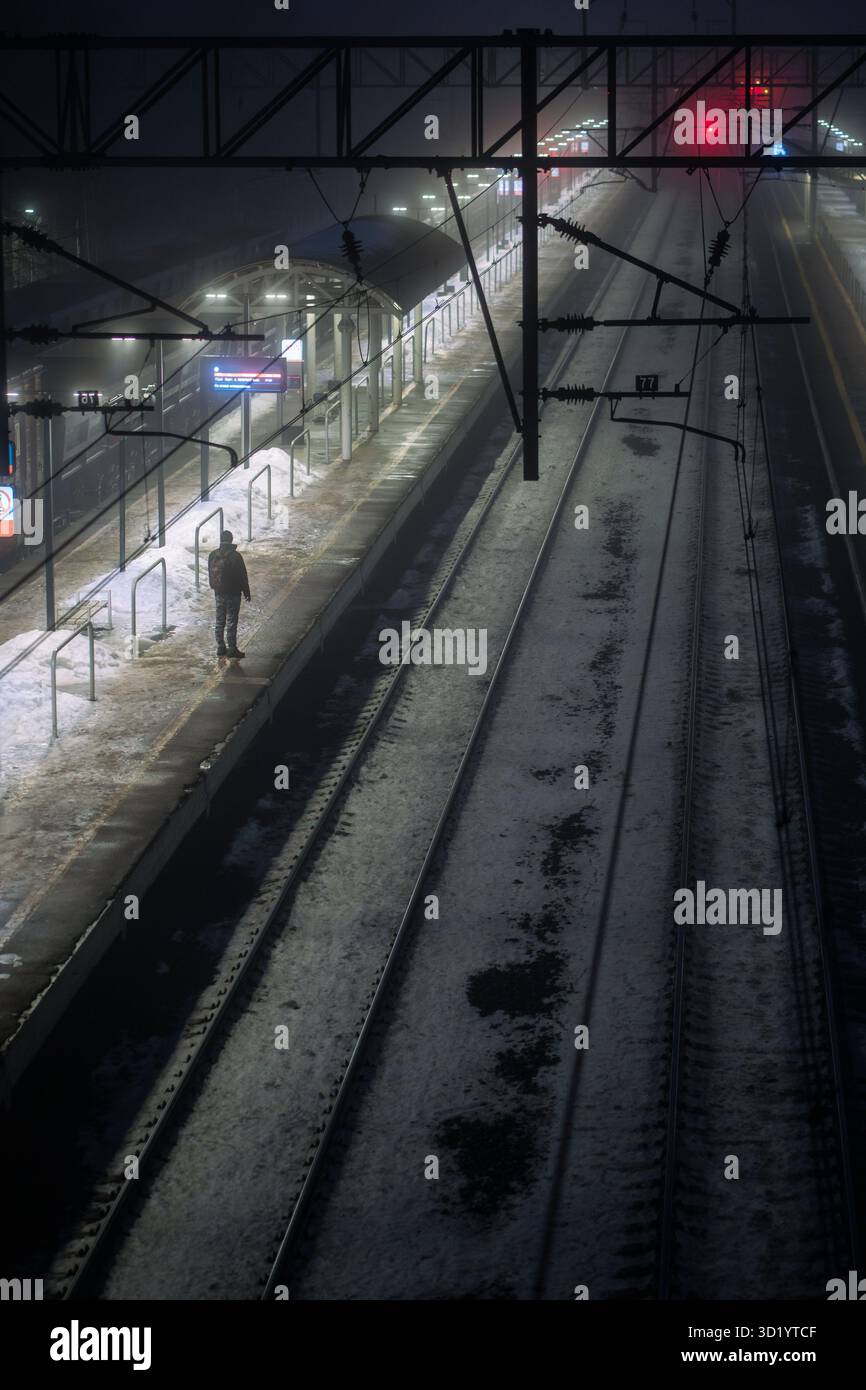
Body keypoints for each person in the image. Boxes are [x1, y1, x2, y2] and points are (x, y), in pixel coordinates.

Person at [207, 529, 251, 658]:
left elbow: (210, 573)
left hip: (218, 593)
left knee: (220, 620)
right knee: (232, 620)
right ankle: (232, 648)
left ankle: (221, 647)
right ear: (231, 540)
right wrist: (246, 591)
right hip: (233, 594)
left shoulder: (212, 555)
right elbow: (243, 576)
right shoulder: (235, 556)